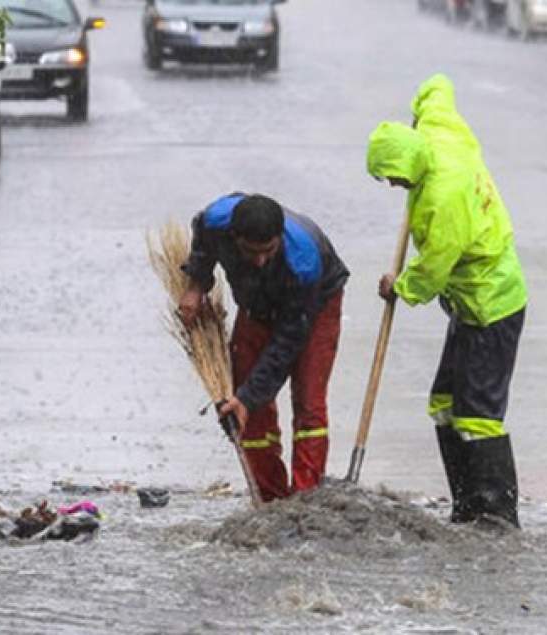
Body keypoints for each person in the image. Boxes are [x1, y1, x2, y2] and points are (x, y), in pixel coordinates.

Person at [366, 74, 528, 528]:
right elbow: (438, 87)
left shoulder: (443, 198)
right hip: (467, 305)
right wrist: (420, 111)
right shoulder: (439, 131)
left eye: (395, 178)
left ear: (411, 165)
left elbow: (435, 268)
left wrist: (399, 287)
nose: (394, 187)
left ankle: (496, 514)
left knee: (477, 413)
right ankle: (466, 504)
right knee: (444, 402)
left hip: (491, 303)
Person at [178, 193, 349, 502]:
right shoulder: (214, 221)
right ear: (234, 236)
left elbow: (287, 344)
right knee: (245, 410)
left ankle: (303, 501)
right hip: (256, 304)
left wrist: (248, 397)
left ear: (279, 238)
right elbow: (202, 245)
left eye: (268, 251)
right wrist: (195, 285)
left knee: (308, 400)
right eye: (250, 251)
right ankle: (269, 499)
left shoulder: (303, 264)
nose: (259, 260)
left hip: (314, 304)